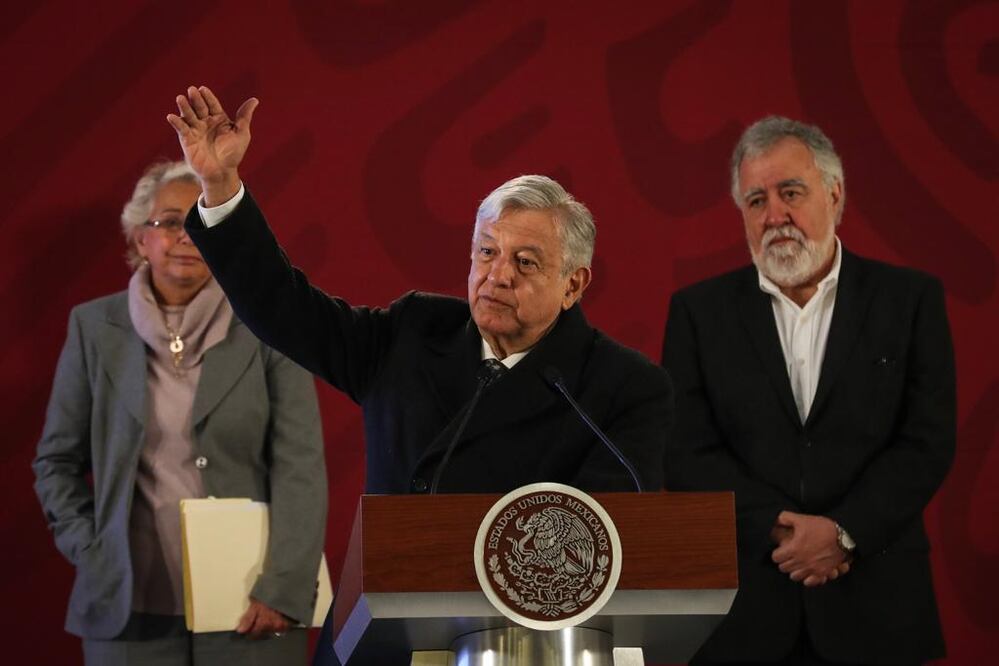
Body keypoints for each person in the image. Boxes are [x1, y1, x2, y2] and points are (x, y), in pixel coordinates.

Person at [164, 84, 672, 497]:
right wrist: (221, 185)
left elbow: (608, 542)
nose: (497, 276)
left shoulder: (620, 389)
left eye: (525, 262)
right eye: (487, 252)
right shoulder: (412, 334)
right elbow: (283, 307)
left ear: (573, 284)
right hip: (389, 616)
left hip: (530, 623)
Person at [661, 116, 955, 664]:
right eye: (755, 201)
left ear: (834, 193)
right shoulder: (698, 313)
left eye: (790, 192)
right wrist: (779, 529)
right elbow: (685, 451)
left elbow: (926, 440)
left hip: (879, 608)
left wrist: (844, 532)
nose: (775, 216)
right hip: (744, 616)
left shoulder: (909, 301)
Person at [33, 160, 328, 666]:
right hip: (128, 613)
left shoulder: (271, 324)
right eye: (171, 221)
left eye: (202, 221)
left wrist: (283, 587)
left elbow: (300, 467)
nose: (188, 234)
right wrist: (93, 550)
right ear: (138, 239)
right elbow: (55, 463)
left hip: (252, 611)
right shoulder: (91, 328)